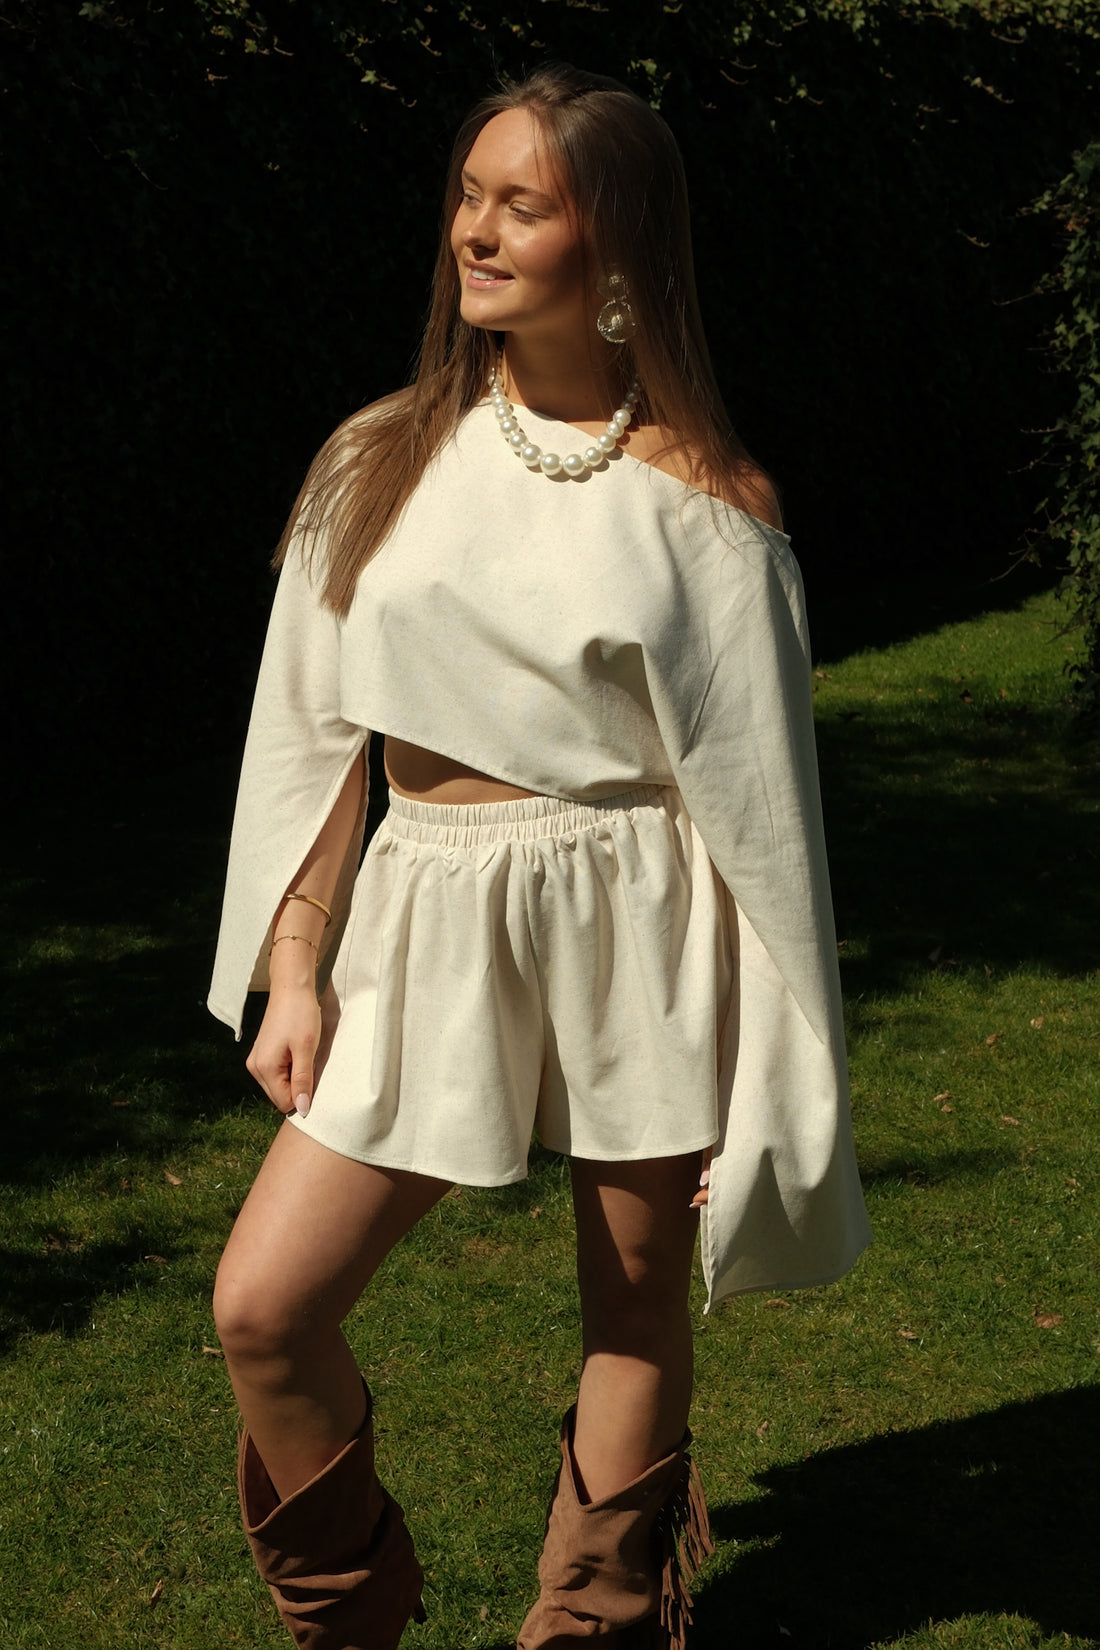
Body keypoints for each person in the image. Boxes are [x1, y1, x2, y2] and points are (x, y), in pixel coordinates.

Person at [208, 62, 870, 1650]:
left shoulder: (708, 507)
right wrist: (295, 963)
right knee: (264, 1306)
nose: (474, 231)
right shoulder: (377, 458)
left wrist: (766, 1077)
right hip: (423, 909)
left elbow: (764, 824)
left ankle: (594, 1621)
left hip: (638, 916)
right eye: (469, 194)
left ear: (618, 246)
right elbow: (314, 736)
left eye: (523, 204)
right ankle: (351, 1615)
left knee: (631, 1305)